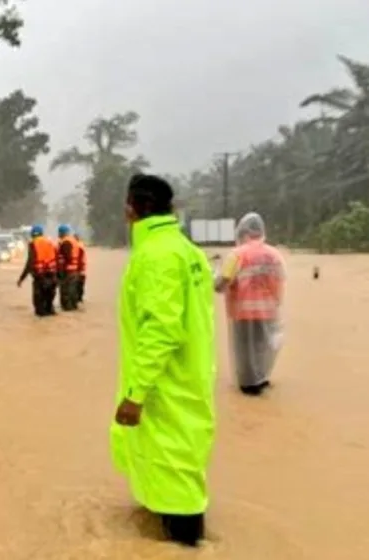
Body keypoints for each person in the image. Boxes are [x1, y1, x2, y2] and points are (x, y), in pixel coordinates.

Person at [110, 173, 216, 547]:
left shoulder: (156, 256)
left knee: (176, 481)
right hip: (189, 377)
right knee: (180, 463)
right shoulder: (187, 251)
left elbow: (162, 331)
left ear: (131, 210)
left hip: (162, 386)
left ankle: (188, 543)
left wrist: (135, 394)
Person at [215, 212, 285, 396]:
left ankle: (248, 385)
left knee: (244, 350)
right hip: (269, 312)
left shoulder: (237, 255)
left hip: (243, 312)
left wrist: (213, 281)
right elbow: (280, 281)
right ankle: (261, 379)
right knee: (263, 347)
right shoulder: (275, 255)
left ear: (243, 233)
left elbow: (223, 280)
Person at [17, 225, 58, 316]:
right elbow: (57, 259)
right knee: (49, 305)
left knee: (39, 309)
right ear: (42, 233)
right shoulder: (50, 243)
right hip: (52, 276)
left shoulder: (33, 244)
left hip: (40, 278)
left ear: (32, 235)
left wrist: (21, 278)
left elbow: (30, 263)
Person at [55, 224, 81, 310]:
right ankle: (73, 308)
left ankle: (68, 308)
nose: (58, 234)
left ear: (62, 233)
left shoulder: (66, 242)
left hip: (67, 272)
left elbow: (67, 257)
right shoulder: (73, 241)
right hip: (74, 270)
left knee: (66, 293)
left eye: (59, 232)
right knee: (72, 293)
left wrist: (60, 271)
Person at [73, 232, 87, 304]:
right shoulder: (81, 245)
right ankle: (79, 298)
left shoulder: (78, 246)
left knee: (78, 284)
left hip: (79, 268)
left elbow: (80, 258)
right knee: (80, 284)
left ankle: (78, 298)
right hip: (82, 268)